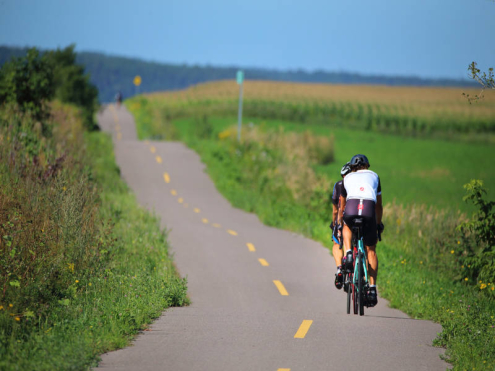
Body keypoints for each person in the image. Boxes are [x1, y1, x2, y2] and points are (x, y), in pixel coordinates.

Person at [339, 154, 384, 307]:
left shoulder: (347, 178)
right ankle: (372, 288)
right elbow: (378, 206)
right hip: (369, 210)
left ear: (352, 167)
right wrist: (378, 224)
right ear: (367, 166)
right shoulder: (375, 176)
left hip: (351, 208)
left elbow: (342, 206)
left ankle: (349, 253)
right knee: (371, 250)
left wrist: (340, 222)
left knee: (346, 225)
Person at [331, 162, 351, 290]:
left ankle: (339, 268)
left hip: (343, 218)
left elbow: (335, 210)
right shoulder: (360, 184)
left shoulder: (338, 185)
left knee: (337, 242)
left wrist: (334, 224)